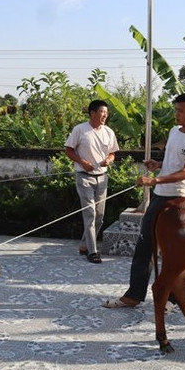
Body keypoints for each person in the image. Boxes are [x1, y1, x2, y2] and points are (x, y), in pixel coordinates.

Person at [102, 92, 185, 308]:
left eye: (180, 111)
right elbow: (174, 162)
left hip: (179, 201)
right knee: (144, 246)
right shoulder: (173, 132)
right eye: (175, 110)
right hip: (160, 197)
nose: (176, 114)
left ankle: (173, 299)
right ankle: (133, 295)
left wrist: (155, 180)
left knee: (174, 254)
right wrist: (157, 164)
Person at [64, 99, 119, 264]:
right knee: (90, 214)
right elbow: (68, 149)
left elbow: (113, 153)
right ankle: (92, 251)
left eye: (106, 113)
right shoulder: (80, 130)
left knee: (100, 216)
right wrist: (82, 162)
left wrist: (109, 160)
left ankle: (83, 244)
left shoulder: (109, 132)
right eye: (102, 112)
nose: (105, 116)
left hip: (102, 177)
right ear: (92, 113)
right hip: (84, 177)